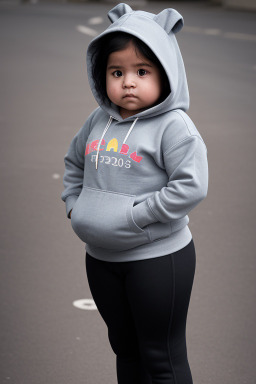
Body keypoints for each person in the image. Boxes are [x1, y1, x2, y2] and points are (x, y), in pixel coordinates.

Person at [61, 3, 208, 383]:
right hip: (101, 257)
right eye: (117, 72)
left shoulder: (174, 127)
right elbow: (74, 162)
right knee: (125, 350)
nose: (128, 81)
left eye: (142, 71)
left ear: (165, 73)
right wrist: (74, 206)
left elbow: (191, 186)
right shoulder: (98, 120)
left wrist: (137, 217)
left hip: (156, 260)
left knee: (161, 359)